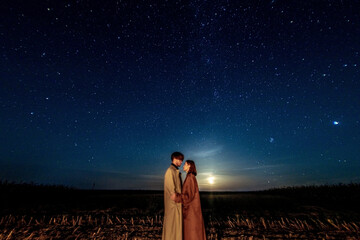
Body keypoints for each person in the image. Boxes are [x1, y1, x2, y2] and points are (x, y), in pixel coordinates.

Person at [171, 160, 207, 240]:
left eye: (185, 164)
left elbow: (188, 197)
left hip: (191, 213)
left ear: (189, 166)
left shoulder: (190, 177)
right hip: (192, 212)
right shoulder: (190, 177)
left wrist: (176, 197)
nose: (183, 166)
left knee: (191, 234)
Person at [162, 152, 184, 240]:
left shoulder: (175, 171)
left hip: (176, 205)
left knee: (176, 230)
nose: (182, 162)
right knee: (172, 229)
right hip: (173, 206)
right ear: (174, 158)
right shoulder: (170, 171)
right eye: (180, 159)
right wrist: (182, 200)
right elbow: (173, 194)